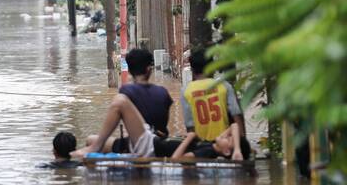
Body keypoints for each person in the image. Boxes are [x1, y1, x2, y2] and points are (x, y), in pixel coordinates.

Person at [71, 93, 247, 160]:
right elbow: (233, 125)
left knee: (121, 102)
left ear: (225, 152)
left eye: (229, 140)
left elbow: (176, 160)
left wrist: (191, 138)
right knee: (90, 139)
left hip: (149, 147)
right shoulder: (211, 143)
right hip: (153, 139)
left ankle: (91, 149)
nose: (227, 135)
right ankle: (74, 155)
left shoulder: (206, 153)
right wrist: (237, 148)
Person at [85, 49, 173, 153]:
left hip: (138, 144)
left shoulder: (126, 91)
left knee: (90, 139)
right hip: (161, 141)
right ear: (149, 69)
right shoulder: (163, 92)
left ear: (130, 71)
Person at [181, 48, 245, 141]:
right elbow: (236, 115)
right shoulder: (224, 85)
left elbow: (190, 126)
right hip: (225, 143)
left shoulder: (186, 91)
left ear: (192, 69)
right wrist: (243, 143)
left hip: (202, 147)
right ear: (212, 67)